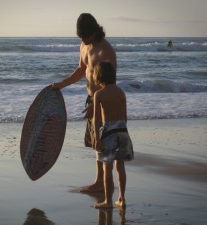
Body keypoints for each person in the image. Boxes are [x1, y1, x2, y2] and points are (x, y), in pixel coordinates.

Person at [51, 13, 117, 192]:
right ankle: (100, 182)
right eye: (80, 36)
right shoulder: (84, 45)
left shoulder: (105, 51)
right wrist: (61, 85)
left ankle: (103, 184)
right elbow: (82, 69)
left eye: (85, 36)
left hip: (103, 102)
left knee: (103, 143)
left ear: (94, 31)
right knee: (96, 143)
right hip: (92, 100)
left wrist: (96, 105)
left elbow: (110, 84)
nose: (83, 39)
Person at [92, 62, 134, 209]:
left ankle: (108, 201)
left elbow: (97, 120)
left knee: (107, 168)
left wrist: (97, 139)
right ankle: (121, 199)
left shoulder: (99, 94)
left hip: (109, 131)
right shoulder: (121, 92)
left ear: (98, 76)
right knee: (120, 166)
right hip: (123, 130)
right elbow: (125, 116)